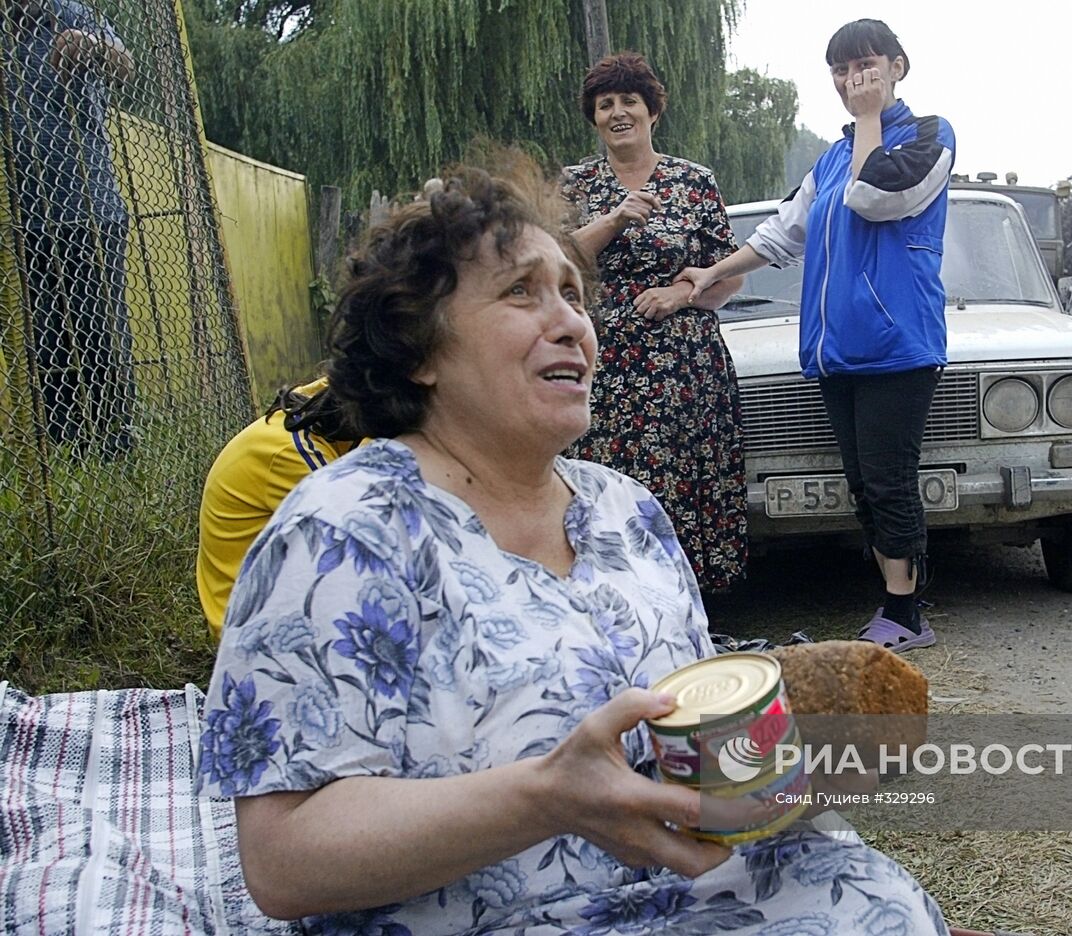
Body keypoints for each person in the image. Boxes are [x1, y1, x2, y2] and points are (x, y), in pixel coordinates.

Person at [198, 162, 951, 935]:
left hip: (698, 891)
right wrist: (542, 798)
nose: (571, 324)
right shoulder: (339, 535)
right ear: (417, 346)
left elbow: (676, 742)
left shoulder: (627, 511)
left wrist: (777, 761)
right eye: (521, 291)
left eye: (574, 295)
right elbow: (282, 861)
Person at [676, 19, 955, 653]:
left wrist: (867, 121)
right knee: (861, 481)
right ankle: (895, 601)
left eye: (865, 65)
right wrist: (712, 273)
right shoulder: (830, 156)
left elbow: (873, 197)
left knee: (889, 479)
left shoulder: (929, 135)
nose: (853, 79)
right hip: (836, 352)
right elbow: (782, 232)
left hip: (897, 345)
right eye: (840, 69)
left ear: (898, 66)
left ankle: (907, 613)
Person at [561, 52, 748, 593]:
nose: (618, 112)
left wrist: (682, 294)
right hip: (603, 363)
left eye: (629, 101)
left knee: (687, 476)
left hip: (684, 367)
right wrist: (615, 218)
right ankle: (619, 596)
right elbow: (555, 261)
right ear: (594, 118)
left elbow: (729, 274)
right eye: (605, 104)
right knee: (607, 478)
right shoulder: (574, 186)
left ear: (651, 112)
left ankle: (694, 605)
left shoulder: (694, 182)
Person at [1, 0, 139, 457]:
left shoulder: (70, 14)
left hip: (87, 207)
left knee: (97, 327)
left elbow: (126, 65)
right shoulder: (5, 32)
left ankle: (115, 440)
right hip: (25, 217)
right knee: (46, 335)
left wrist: (92, 47)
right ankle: (66, 444)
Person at [196, 378, 362, 640]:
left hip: (275, 605)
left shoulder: (319, 407)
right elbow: (364, 555)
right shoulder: (293, 453)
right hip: (253, 635)